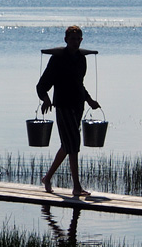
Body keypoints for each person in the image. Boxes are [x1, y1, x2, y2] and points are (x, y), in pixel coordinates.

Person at [36, 25, 100, 196]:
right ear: (66, 40)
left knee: (68, 145)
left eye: (78, 39)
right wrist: (46, 99)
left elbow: (79, 84)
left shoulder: (81, 59)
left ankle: (47, 178)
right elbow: (42, 84)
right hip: (63, 105)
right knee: (73, 145)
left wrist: (90, 100)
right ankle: (77, 187)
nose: (75, 42)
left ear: (81, 40)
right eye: (72, 39)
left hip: (78, 105)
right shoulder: (58, 59)